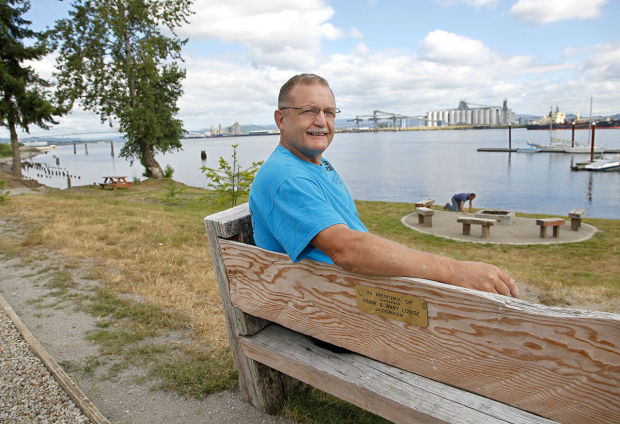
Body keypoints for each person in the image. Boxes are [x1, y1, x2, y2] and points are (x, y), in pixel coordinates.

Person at [249, 74, 519, 298]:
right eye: (309, 111)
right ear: (281, 119)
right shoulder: (287, 178)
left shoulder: (314, 164)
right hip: (333, 313)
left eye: (329, 112)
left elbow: (353, 237)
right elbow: (346, 249)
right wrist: (455, 271)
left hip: (353, 295)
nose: (322, 121)